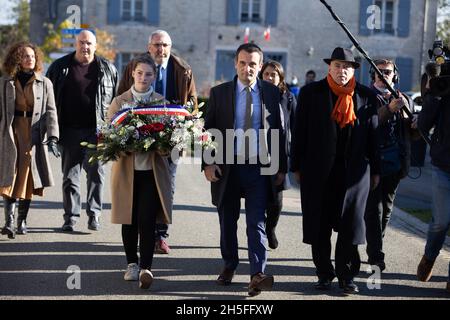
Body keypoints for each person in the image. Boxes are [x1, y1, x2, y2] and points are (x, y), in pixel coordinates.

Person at [291, 47, 380, 294]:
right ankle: (324, 273)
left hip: (355, 173)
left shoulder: (365, 96)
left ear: (353, 70)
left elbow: (373, 136)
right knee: (319, 226)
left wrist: (376, 170)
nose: (342, 71)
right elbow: (299, 133)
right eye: (338, 66)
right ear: (329, 67)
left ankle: (346, 276)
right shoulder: (311, 93)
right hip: (318, 172)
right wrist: (295, 165)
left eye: (347, 67)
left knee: (350, 225)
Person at [203, 43, 287, 297]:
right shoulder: (220, 93)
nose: (247, 68)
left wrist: (281, 167)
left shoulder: (272, 93)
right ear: (235, 64)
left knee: (256, 222)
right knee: (227, 221)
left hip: (259, 168)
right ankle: (229, 265)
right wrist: (208, 163)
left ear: (260, 66)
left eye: (252, 64)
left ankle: (257, 274)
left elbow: (280, 132)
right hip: (228, 168)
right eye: (242, 62)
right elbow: (208, 131)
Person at [117, 30, 197, 254]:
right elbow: (122, 94)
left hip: (169, 140)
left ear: (170, 47)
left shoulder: (183, 69)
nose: (160, 49)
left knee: (166, 186)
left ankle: (160, 234)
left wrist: (185, 117)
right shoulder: (135, 66)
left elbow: (191, 100)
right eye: (156, 45)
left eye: (164, 45)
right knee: (140, 186)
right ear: (148, 46)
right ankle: (143, 231)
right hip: (138, 138)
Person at [108, 55, 172, 289]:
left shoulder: (162, 103)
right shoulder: (119, 102)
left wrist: (158, 141)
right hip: (127, 171)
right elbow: (108, 138)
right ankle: (131, 264)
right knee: (129, 219)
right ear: (132, 74)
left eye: (148, 74)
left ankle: (146, 267)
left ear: (154, 76)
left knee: (147, 220)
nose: (143, 78)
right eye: (139, 73)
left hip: (151, 173)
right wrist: (126, 143)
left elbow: (170, 143)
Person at [46, 30, 119, 232]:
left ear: (95, 46)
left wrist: (112, 132)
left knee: (96, 174)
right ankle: (70, 217)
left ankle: (94, 214)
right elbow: (47, 100)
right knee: (70, 176)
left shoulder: (108, 69)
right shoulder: (59, 67)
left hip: (97, 131)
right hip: (68, 130)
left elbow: (116, 103)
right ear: (75, 44)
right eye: (81, 42)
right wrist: (50, 131)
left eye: (89, 43)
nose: (85, 47)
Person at [0, 42, 60, 239]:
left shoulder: (45, 83)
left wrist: (52, 136)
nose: (30, 59)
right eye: (25, 56)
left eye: (33, 56)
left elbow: (51, 111)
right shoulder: (5, 82)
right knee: (10, 173)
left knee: (27, 176)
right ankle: (8, 221)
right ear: (17, 58)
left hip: (33, 133)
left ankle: (21, 220)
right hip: (10, 130)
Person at [364, 59, 419, 272]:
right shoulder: (366, 95)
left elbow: (412, 135)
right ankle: (376, 255)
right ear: (373, 74)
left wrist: (415, 124)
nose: (383, 75)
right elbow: (369, 123)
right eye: (379, 72)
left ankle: (375, 246)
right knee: (373, 211)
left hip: (396, 162)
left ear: (394, 75)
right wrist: (388, 109)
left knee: (386, 210)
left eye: (387, 72)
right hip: (372, 161)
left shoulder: (403, 98)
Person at [416, 72, 450, 294]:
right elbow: (423, 125)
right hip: (444, 166)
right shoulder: (443, 88)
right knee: (441, 222)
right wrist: (432, 94)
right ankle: (429, 256)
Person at [259, 60, 297, 249]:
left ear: (280, 78)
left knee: (276, 200)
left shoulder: (288, 98)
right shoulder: (255, 95)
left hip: (279, 154)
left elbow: (295, 127)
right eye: (266, 74)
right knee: (257, 198)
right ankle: (258, 234)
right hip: (256, 153)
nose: (269, 77)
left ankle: (270, 228)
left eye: (273, 74)